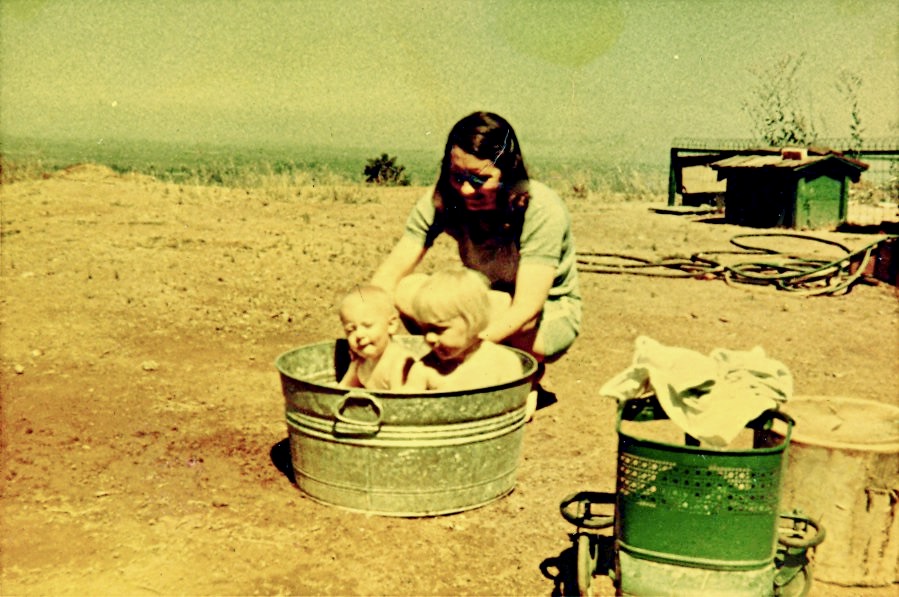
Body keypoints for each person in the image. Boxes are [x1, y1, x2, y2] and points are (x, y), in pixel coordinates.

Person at [371, 111, 581, 370]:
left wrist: (468, 344)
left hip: (546, 317)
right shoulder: (443, 199)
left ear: (508, 173)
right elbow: (389, 276)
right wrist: (368, 323)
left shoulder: (541, 208)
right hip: (486, 302)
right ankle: (461, 368)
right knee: (408, 290)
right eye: (458, 177)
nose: (467, 190)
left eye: (480, 179)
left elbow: (527, 308)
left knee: (505, 308)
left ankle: (521, 375)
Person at [404, 268, 523, 392]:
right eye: (424, 330)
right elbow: (410, 405)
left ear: (474, 321)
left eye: (439, 329)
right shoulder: (425, 368)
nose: (429, 337)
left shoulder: (503, 362)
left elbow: (516, 403)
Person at [337, 284, 416, 390]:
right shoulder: (360, 364)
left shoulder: (399, 363)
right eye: (350, 330)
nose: (359, 335)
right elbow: (340, 392)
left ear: (391, 325)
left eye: (367, 326)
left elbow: (401, 403)